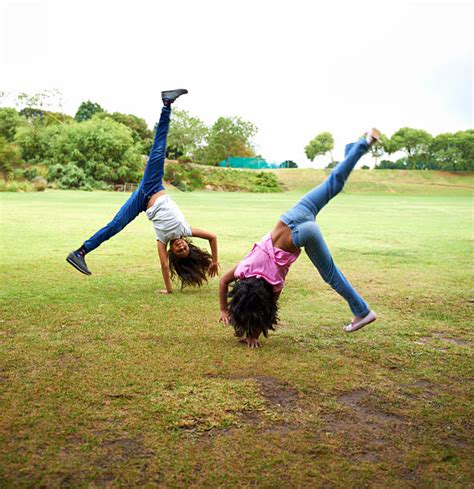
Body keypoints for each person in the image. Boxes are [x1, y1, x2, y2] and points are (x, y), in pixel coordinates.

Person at [219, 129, 381, 347]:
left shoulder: (274, 284)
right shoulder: (243, 269)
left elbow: (267, 310)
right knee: (334, 182)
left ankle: (363, 311)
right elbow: (223, 281)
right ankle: (361, 144)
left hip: (303, 235)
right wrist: (222, 307)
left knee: (331, 274)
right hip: (293, 216)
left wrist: (252, 334)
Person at [66, 89, 219, 293]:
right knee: (158, 149)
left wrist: (169, 289)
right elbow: (212, 237)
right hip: (153, 186)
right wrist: (215, 261)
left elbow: (164, 265)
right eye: (185, 248)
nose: (181, 247)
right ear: (188, 245)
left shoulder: (162, 240)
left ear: (172, 251)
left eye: (178, 251)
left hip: (141, 200)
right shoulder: (186, 230)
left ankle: (80, 252)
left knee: (115, 226)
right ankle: (167, 105)